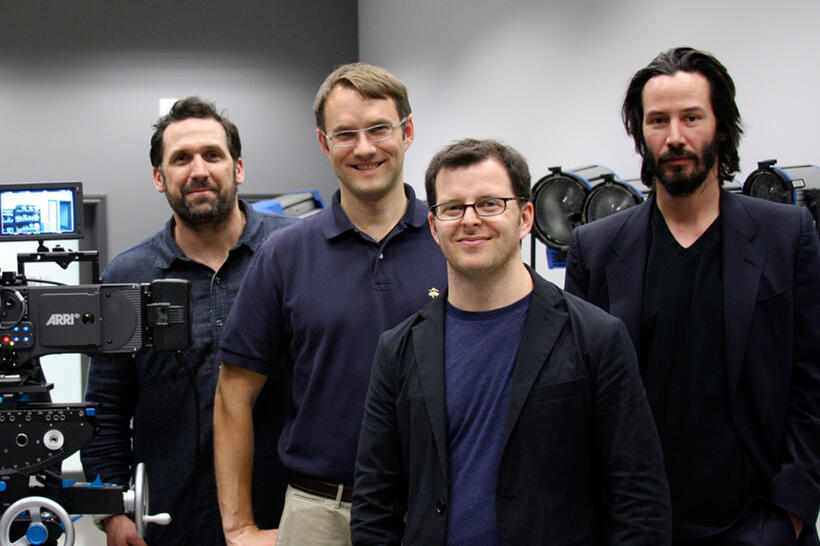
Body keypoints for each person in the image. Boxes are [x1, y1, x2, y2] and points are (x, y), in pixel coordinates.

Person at [351, 138, 672, 545]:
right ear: (434, 227)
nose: (470, 220)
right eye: (452, 208)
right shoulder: (398, 349)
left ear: (525, 217)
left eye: (489, 203)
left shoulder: (596, 337)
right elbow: (375, 504)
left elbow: (639, 501)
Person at [565, 47, 820, 545]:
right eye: (657, 120)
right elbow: (581, 395)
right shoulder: (595, 250)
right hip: (636, 528)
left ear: (721, 127)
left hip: (757, 523)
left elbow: (813, 381)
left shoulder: (787, 236)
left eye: (691, 117)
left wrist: (789, 513)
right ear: (641, 133)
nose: (675, 137)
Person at [213, 63, 448, 546]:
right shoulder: (284, 255)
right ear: (324, 144)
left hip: (437, 505)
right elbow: (233, 396)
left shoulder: (451, 239)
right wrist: (238, 528)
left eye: (379, 129)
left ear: (408, 131)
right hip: (322, 513)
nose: (364, 148)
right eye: (345, 134)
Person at [82, 96, 296, 546]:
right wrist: (112, 512)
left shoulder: (294, 256)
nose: (199, 170)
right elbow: (105, 409)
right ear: (160, 178)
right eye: (181, 159)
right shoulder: (129, 277)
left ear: (238, 169)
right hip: (169, 523)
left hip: (284, 521)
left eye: (212, 155)